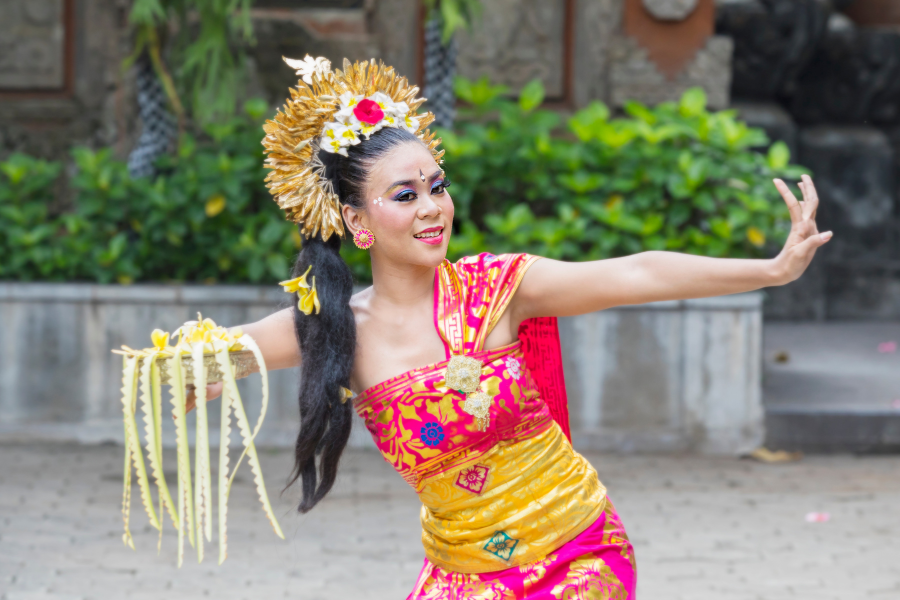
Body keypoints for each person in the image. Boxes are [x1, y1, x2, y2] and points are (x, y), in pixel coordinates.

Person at [188, 57, 829, 599]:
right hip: (460, 575)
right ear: (358, 224)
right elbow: (211, 356)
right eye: (405, 196)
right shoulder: (336, 331)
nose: (433, 207)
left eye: (436, 187)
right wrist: (191, 370)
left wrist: (771, 270)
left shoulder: (497, 289)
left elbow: (638, 272)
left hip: (578, 556)